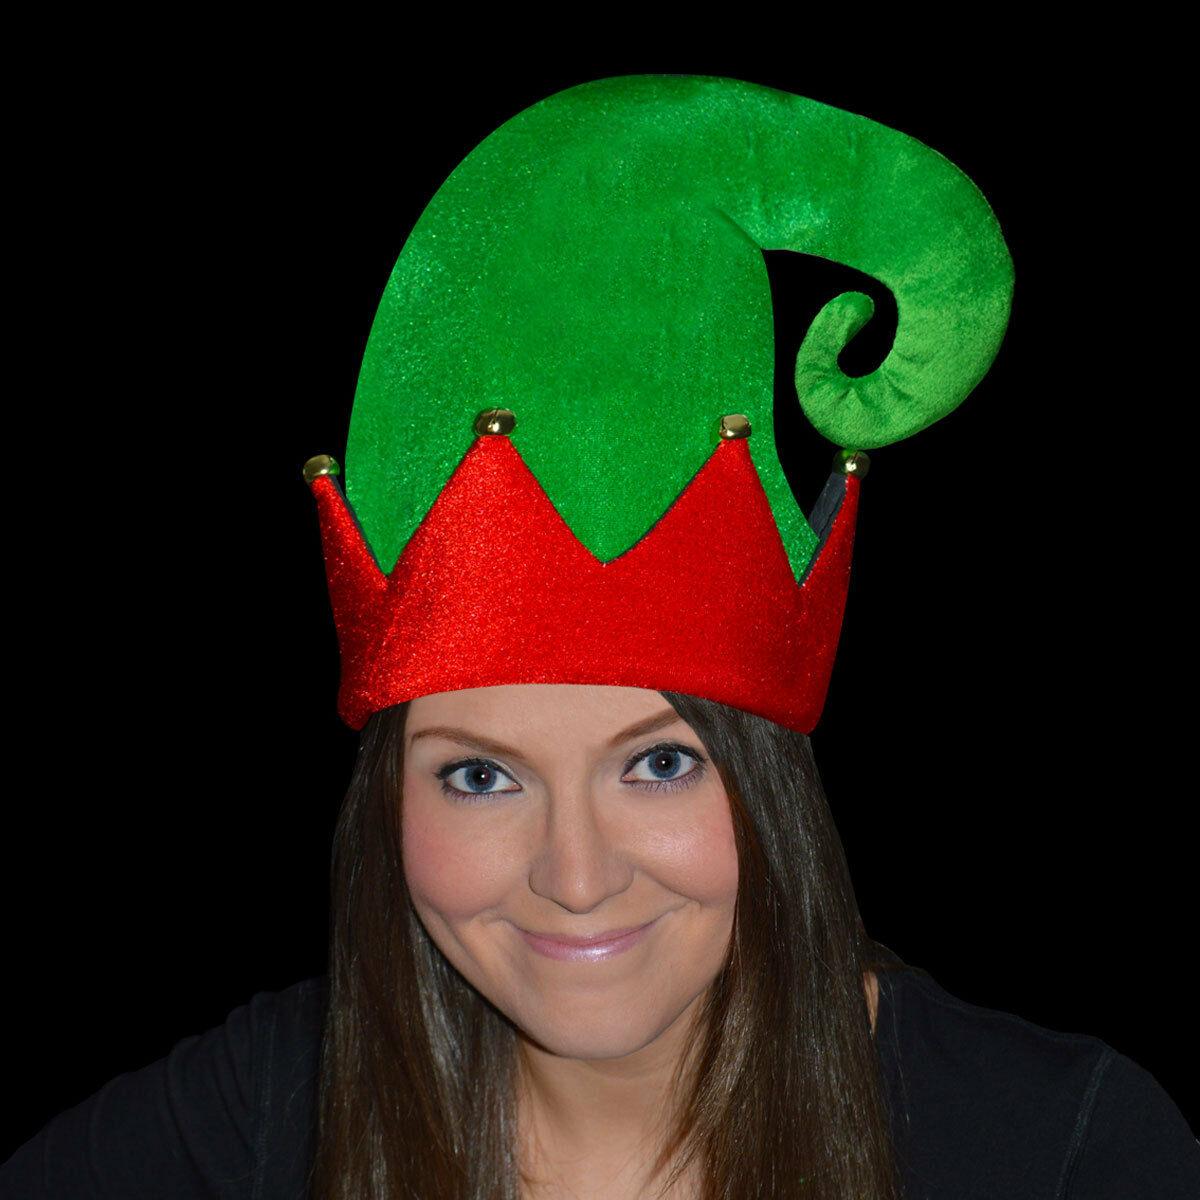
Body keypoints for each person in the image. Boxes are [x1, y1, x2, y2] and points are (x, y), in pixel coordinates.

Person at [5, 73, 1198, 1200]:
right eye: (479, 777)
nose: (574, 878)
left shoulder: (1061, 1148)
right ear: (386, 806)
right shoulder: (270, 1103)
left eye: (661, 762)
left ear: (771, 789)